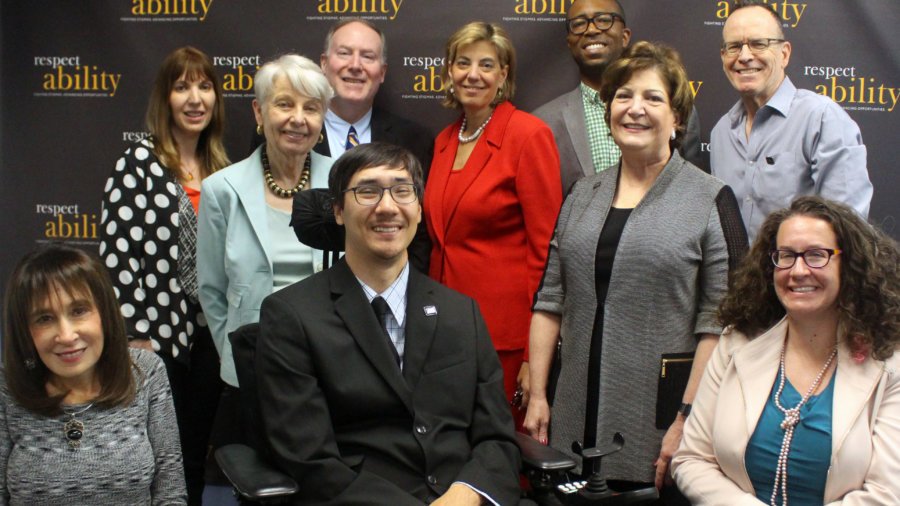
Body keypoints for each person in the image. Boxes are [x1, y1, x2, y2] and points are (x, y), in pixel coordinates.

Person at [524, 41, 748, 499]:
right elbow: (549, 301)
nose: (635, 109)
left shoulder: (710, 198)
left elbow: (721, 323)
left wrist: (688, 418)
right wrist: (540, 396)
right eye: (623, 96)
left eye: (652, 98)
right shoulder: (581, 194)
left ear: (677, 118)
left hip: (659, 424)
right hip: (568, 422)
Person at [256, 142, 521, 505]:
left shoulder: (461, 313)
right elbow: (310, 461)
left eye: (402, 190)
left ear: (418, 208)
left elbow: (497, 438)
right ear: (337, 210)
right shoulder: (291, 315)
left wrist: (468, 493)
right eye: (367, 191)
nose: (387, 207)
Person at [673, 196, 900, 505]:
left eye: (816, 255)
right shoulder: (735, 343)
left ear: (849, 265)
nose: (798, 270)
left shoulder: (889, 364)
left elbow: (886, 494)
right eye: (786, 256)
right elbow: (691, 459)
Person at [98, 46, 227, 505]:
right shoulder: (138, 162)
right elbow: (117, 254)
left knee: (193, 456)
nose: (195, 99)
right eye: (182, 87)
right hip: (155, 340)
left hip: (211, 337)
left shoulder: (224, 171)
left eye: (205, 86)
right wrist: (134, 333)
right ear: (165, 98)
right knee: (153, 458)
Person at [425, 21, 562, 428]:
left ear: (503, 75)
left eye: (487, 65)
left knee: (501, 454)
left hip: (503, 338)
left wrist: (532, 356)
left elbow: (547, 252)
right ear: (449, 70)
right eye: (463, 62)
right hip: (444, 331)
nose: (473, 74)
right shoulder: (445, 140)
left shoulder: (527, 134)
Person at [196, 54, 333, 440]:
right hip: (252, 372)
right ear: (259, 112)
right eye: (285, 104)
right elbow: (211, 289)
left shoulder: (344, 182)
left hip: (329, 371)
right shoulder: (221, 190)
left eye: (311, 108)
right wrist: (235, 354)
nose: (298, 119)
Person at [1, 244, 186, 505]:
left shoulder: (146, 372)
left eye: (78, 311)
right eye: (44, 318)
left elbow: (171, 494)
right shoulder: (7, 388)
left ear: (104, 313)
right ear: (24, 331)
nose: (66, 335)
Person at [711, 0, 872, 242]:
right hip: (735, 280)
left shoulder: (821, 119)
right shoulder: (721, 133)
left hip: (801, 277)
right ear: (723, 58)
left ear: (784, 54)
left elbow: (847, 231)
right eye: (734, 47)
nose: (744, 56)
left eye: (758, 44)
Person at [533, 0, 703, 195]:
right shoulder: (543, 122)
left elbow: (694, 192)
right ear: (569, 42)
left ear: (625, 36)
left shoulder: (676, 110)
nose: (591, 30)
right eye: (579, 24)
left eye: (604, 20)